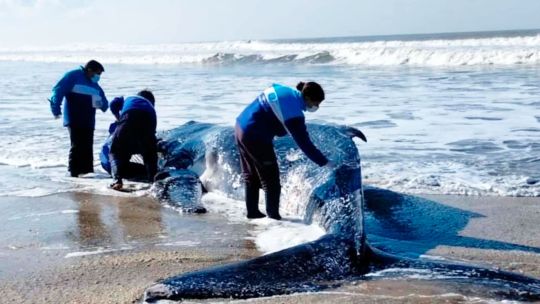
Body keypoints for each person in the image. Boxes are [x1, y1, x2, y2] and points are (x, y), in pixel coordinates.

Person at [235, 82, 333, 220]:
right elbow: (305, 144)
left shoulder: (283, 89)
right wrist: (325, 162)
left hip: (240, 127)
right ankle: (273, 218)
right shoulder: (294, 112)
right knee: (271, 181)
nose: (317, 106)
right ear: (309, 98)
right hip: (255, 136)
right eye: (317, 102)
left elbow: (272, 110)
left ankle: (253, 213)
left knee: (251, 175)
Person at [49, 60, 108, 177]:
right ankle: (74, 174)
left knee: (88, 146)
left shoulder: (94, 85)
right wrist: (55, 109)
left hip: (89, 120)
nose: (98, 77)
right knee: (77, 146)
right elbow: (58, 90)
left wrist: (101, 104)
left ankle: (88, 173)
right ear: (89, 70)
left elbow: (105, 104)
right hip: (74, 117)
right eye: (98, 74)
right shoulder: (73, 76)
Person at [108, 90, 158, 190]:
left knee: (115, 151)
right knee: (149, 153)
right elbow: (152, 134)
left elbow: (113, 103)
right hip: (149, 119)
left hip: (129, 117)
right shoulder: (150, 106)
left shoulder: (128, 97)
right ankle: (154, 181)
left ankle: (117, 180)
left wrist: (118, 118)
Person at [99, 96, 147, 181]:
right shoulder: (126, 127)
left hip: (105, 163)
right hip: (115, 165)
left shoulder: (114, 127)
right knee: (149, 171)